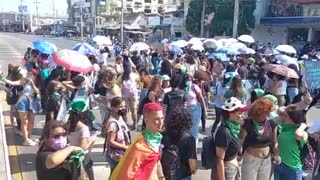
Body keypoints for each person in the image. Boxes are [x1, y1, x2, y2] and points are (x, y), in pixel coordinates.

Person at [110, 102, 165, 179]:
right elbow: (129, 173)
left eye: (162, 118)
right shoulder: (139, 145)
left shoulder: (157, 138)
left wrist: (162, 177)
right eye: (156, 119)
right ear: (146, 120)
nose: (160, 123)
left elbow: (157, 161)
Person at [240, 98, 278, 180]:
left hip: (267, 160)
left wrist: (277, 154)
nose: (270, 112)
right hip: (251, 160)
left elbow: (275, 142)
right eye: (269, 110)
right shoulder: (248, 123)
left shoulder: (272, 124)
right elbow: (240, 141)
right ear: (261, 111)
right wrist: (238, 155)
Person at [211, 97, 246, 180]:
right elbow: (219, 160)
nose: (241, 115)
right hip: (226, 171)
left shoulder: (234, 127)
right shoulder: (224, 132)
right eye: (239, 112)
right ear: (230, 113)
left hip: (233, 166)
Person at [274, 106, 308, 180]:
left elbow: (297, 134)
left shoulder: (303, 133)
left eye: (285, 116)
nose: (283, 117)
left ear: (293, 118)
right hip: (279, 165)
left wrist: (303, 125)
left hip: (293, 169)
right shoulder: (282, 128)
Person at [161, 108, 197, 180]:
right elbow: (193, 167)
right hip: (183, 176)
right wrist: (195, 170)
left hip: (165, 174)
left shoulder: (163, 136)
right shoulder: (189, 139)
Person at [105, 97, 131, 175]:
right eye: (120, 107)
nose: (123, 109)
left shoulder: (120, 118)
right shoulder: (113, 123)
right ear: (113, 108)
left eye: (124, 106)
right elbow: (110, 141)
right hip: (115, 155)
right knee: (116, 174)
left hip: (121, 153)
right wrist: (125, 147)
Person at [181, 74, 207, 140]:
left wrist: (205, 110)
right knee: (186, 129)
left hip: (195, 110)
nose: (188, 82)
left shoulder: (194, 87)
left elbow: (201, 99)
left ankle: (194, 144)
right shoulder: (181, 88)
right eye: (187, 80)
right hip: (185, 110)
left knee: (194, 129)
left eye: (190, 80)